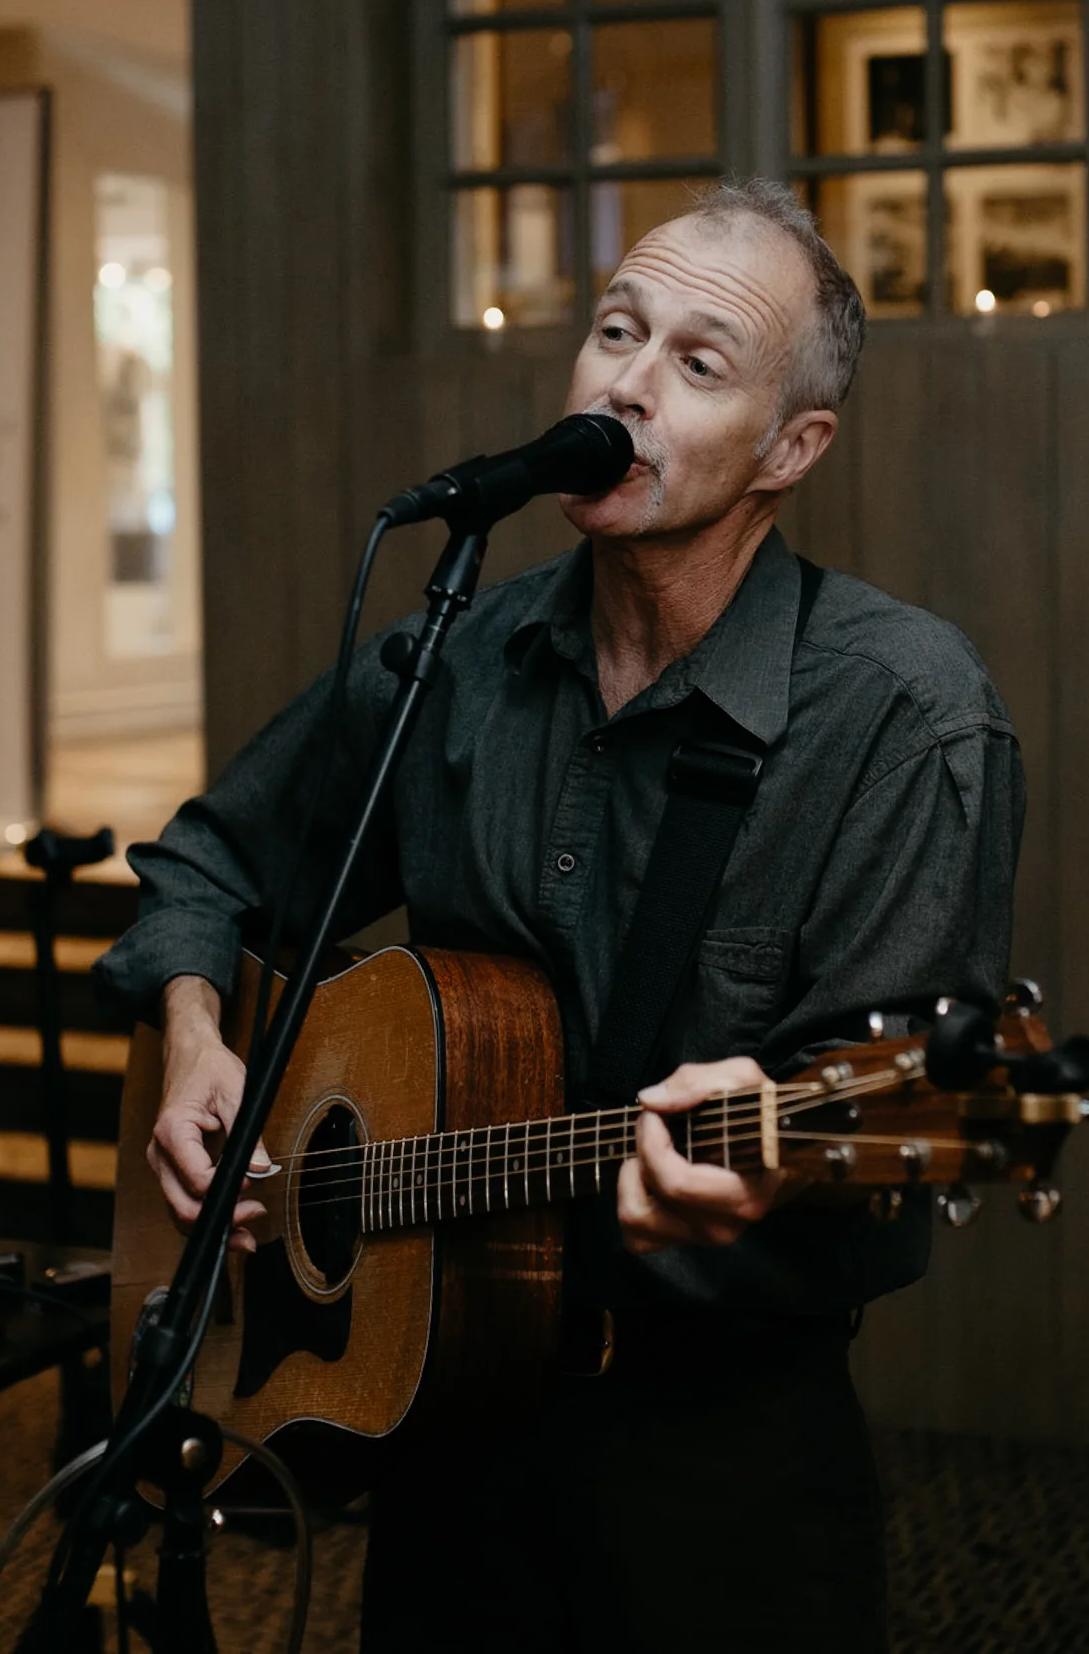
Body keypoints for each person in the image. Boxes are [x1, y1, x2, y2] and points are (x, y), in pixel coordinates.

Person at [93, 178, 1022, 1651]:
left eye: (699, 363)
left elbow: (897, 1142)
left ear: (791, 448)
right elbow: (210, 862)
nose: (629, 386)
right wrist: (201, 1036)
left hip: (716, 1479)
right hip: (440, 1436)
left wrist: (779, 1168)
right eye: (617, 331)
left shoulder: (902, 715)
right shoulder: (460, 660)